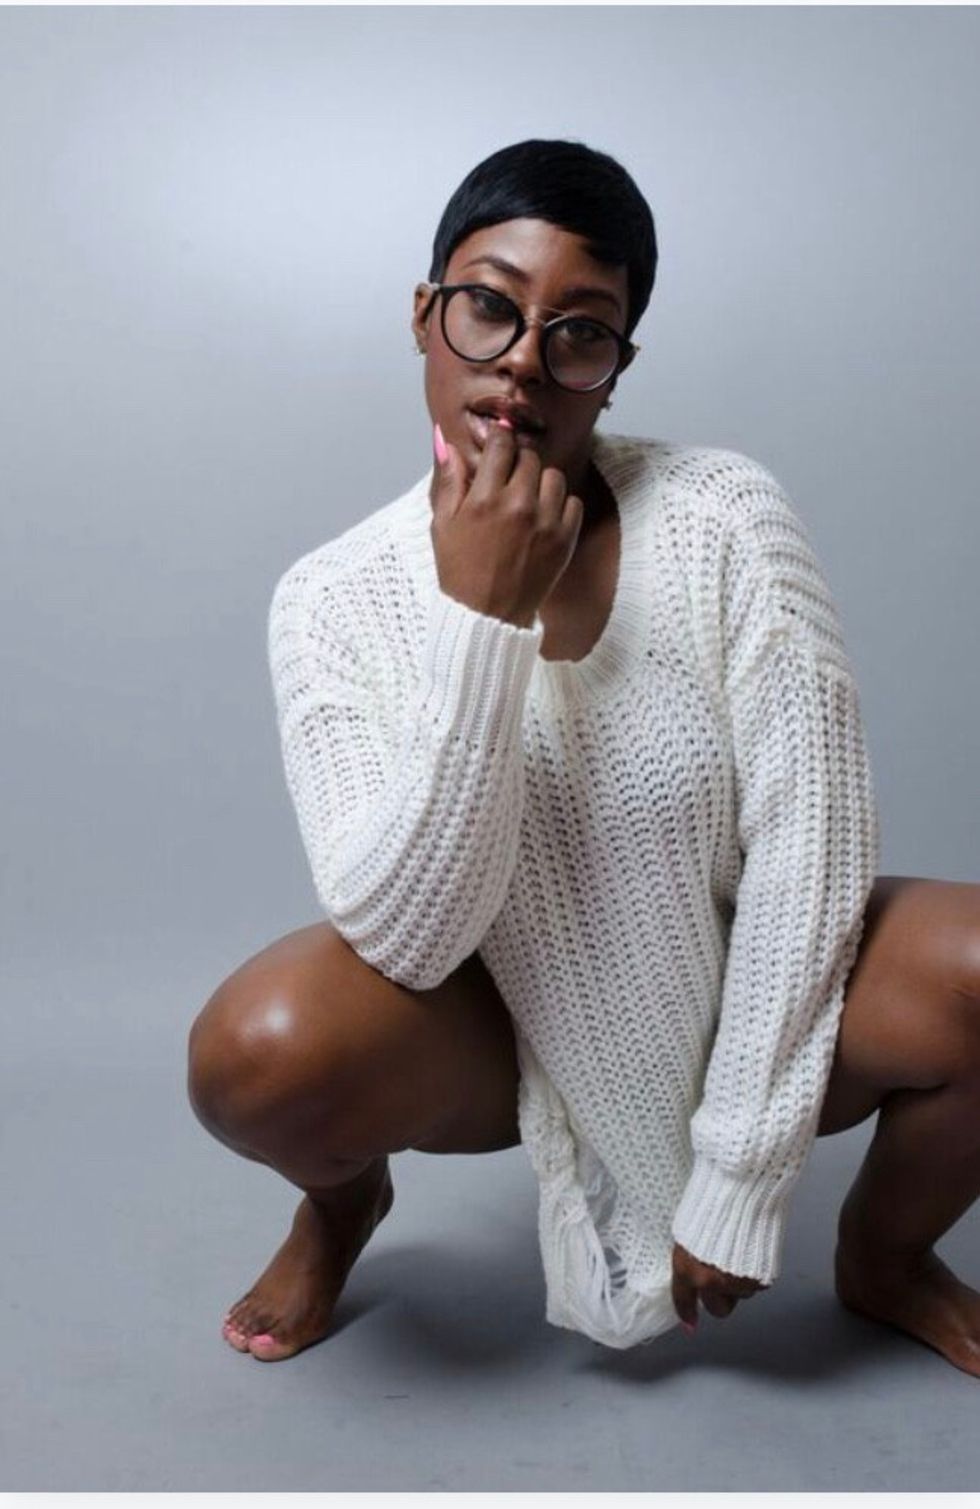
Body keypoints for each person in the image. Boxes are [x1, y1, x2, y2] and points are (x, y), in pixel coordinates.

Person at [187, 138, 980, 1373]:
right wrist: (483, 621)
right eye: (488, 308)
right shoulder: (329, 600)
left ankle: (883, 1256)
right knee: (258, 1050)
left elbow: (809, 850)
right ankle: (343, 1205)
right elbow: (406, 941)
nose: (521, 360)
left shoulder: (722, 515)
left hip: (734, 975)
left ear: (614, 368)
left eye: (578, 332)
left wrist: (740, 1169)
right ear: (425, 315)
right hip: (488, 1022)